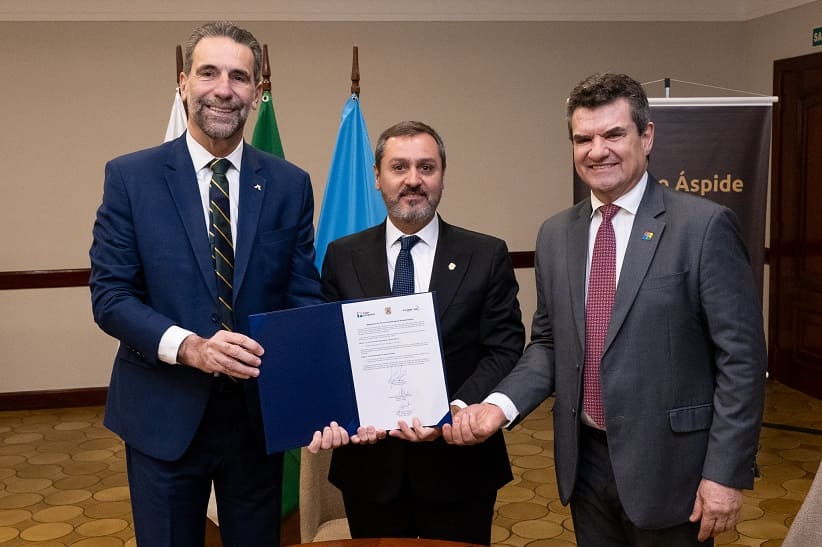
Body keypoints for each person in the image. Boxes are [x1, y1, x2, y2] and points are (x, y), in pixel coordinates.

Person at [443, 73, 767, 546]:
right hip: (585, 464)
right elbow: (550, 344)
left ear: (647, 135)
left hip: (674, 470)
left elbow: (742, 360)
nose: (598, 150)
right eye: (583, 138)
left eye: (613, 134)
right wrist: (497, 406)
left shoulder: (703, 227)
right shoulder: (556, 235)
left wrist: (725, 473)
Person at [89, 21, 322, 547]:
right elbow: (111, 297)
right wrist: (190, 347)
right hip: (162, 415)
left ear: (258, 91)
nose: (224, 89)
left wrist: (316, 398)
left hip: (256, 420)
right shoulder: (131, 178)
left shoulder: (289, 183)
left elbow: (303, 298)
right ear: (183, 82)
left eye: (240, 77)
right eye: (209, 73)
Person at [311, 121, 525, 545]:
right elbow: (331, 354)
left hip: (460, 466)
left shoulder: (485, 254)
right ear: (377, 177)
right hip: (370, 468)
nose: (413, 180)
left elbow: (504, 349)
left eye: (426, 167)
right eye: (399, 167)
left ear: (442, 175)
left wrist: (457, 409)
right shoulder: (342, 256)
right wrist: (348, 413)